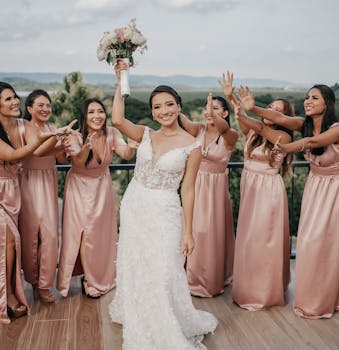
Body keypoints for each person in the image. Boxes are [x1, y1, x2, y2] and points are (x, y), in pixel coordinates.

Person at [109, 60, 217, 349]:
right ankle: (141, 313)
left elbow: (190, 188)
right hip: (135, 205)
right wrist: (121, 78)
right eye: (157, 107)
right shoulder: (145, 133)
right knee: (137, 264)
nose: (164, 111)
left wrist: (188, 231)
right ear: (152, 111)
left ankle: (167, 324)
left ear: (179, 106)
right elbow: (118, 120)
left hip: (166, 210)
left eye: (169, 104)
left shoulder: (192, 145)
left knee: (165, 270)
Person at [239, 83, 339, 318]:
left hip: (337, 187)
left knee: (332, 242)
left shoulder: (338, 129)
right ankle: (313, 296)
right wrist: (253, 107)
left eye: (314, 98)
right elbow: (278, 118)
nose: (308, 101)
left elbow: (314, 143)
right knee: (309, 242)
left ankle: (336, 297)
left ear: (327, 102)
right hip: (316, 185)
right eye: (307, 97)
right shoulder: (303, 124)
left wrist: (285, 147)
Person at [0, 82, 66, 323]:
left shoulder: (24, 125)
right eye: (8, 99)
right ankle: (6, 294)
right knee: (9, 239)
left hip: (9, 189)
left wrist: (56, 136)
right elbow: (13, 155)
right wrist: (45, 138)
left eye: (15, 97)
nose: (15, 102)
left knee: (7, 242)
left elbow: (39, 151)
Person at [220, 72, 293, 310]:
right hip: (251, 188)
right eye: (270, 106)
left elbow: (258, 124)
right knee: (249, 239)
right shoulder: (254, 134)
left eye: (277, 110)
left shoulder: (282, 135)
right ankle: (249, 285)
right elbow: (244, 120)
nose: (271, 111)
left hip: (268, 192)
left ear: (285, 117)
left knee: (264, 240)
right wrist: (231, 98)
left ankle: (263, 292)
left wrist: (247, 107)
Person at [56, 98, 136, 298]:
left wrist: (133, 145)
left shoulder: (112, 133)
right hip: (79, 188)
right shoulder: (75, 136)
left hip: (102, 186)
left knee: (102, 234)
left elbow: (125, 154)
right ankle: (89, 281)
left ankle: (104, 275)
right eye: (91, 112)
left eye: (100, 111)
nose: (97, 116)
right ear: (84, 116)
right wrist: (86, 148)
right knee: (84, 233)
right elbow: (79, 162)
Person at [18, 89, 79, 303]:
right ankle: (33, 281)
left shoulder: (52, 128)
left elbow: (60, 159)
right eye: (41, 105)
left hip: (48, 180)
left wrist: (68, 143)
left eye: (48, 105)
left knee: (51, 235)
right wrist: (57, 138)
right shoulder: (25, 126)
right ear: (29, 108)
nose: (46, 109)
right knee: (30, 234)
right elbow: (39, 151)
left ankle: (44, 284)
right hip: (29, 181)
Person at [180, 93, 237, 297]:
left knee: (209, 234)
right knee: (190, 229)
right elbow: (181, 119)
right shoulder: (199, 129)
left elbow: (223, 127)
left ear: (224, 113)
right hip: (194, 185)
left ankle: (208, 279)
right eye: (207, 107)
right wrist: (174, 102)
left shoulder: (230, 135)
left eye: (214, 108)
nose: (208, 111)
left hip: (214, 191)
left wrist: (213, 113)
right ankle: (186, 276)